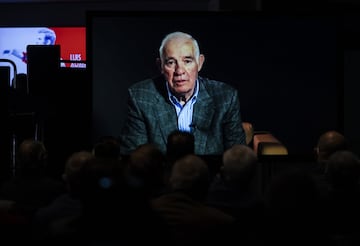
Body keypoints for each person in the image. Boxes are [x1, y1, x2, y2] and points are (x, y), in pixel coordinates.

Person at [120, 31, 246, 155]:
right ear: (160, 66)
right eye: (171, 62)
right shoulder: (141, 98)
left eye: (187, 61)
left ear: (200, 63)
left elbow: (238, 161)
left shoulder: (225, 97)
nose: (179, 71)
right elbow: (133, 159)